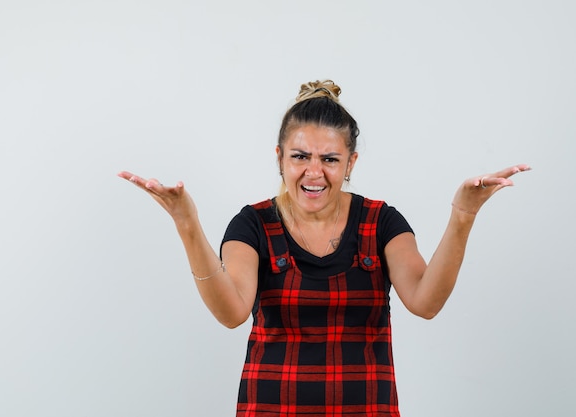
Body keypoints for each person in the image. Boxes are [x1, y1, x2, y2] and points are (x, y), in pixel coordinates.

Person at [118, 79, 530, 416]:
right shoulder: (252, 224)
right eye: (300, 156)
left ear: (350, 163)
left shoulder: (382, 222)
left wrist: (463, 215)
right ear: (280, 158)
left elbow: (425, 302)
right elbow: (231, 313)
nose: (314, 172)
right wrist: (187, 223)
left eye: (330, 159)